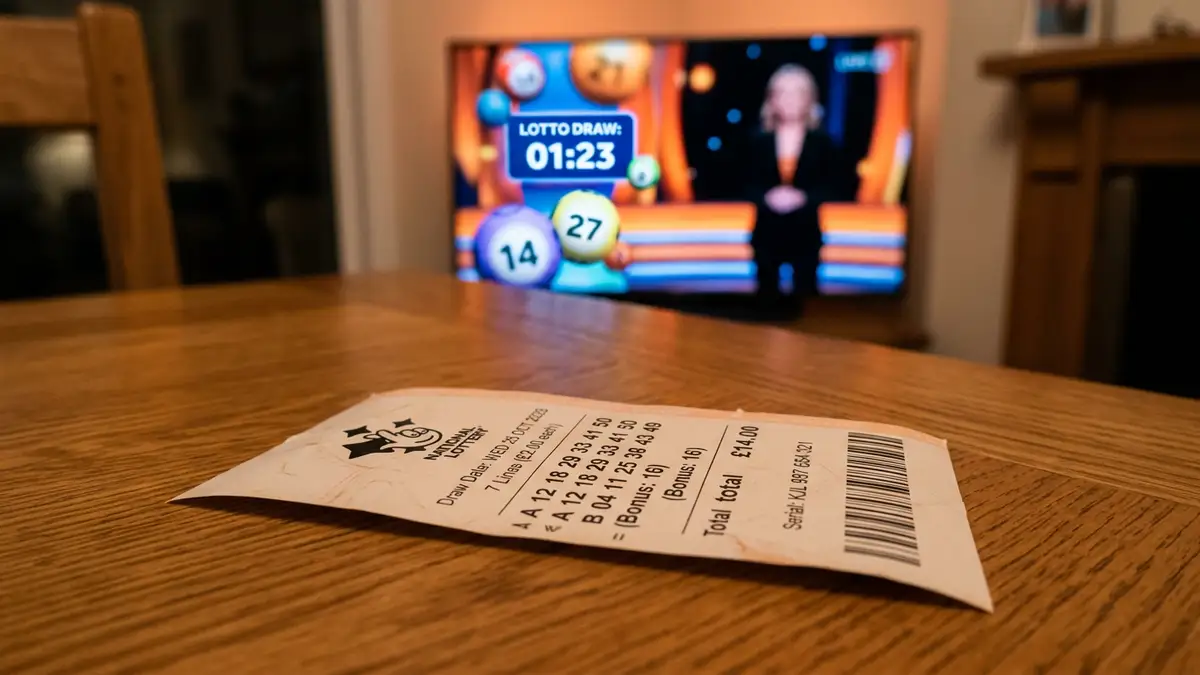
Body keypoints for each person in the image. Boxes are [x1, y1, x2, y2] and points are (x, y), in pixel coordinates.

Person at [745, 64, 845, 318]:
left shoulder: (823, 143)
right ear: (772, 99)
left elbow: (837, 186)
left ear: (809, 99)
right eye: (782, 93)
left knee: (808, 306)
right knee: (764, 307)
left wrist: (803, 198)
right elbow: (741, 184)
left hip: (806, 235)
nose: (789, 101)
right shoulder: (757, 142)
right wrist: (767, 197)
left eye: (797, 93)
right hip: (766, 235)